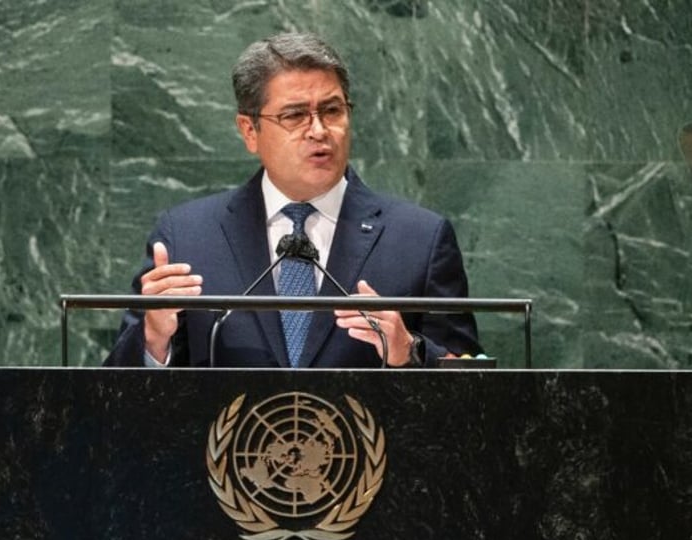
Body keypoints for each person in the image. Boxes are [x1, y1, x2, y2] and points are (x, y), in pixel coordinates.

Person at [104, 32, 481, 368]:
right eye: (295, 115)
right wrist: (154, 341)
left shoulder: (420, 240)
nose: (319, 131)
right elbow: (112, 397)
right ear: (249, 131)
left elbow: (473, 392)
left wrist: (409, 351)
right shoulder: (187, 237)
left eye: (332, 110)